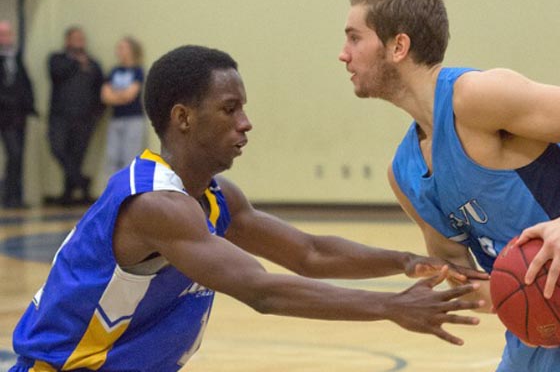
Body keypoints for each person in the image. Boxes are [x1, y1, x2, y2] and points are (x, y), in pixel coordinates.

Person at [10, 45, 487, 371]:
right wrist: (391, 306)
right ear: (183, 118)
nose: (246, 123)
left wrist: (406, 262)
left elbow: (309, 253)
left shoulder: (216, 196)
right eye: (230, 108)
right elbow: (262, 291)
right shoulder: (157, 204)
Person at [338, 0, 560, 372]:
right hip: (536, 325)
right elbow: (459, 270)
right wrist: (490, 293)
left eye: (354, 38)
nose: (343, 54)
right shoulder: (404, 172)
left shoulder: (475, 96)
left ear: (398, 46)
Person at [46, 26, 103, 206]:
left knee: (77, 155)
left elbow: (100, 88)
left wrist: (97, 113)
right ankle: (82, 182)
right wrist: (75, 61)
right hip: (60, 116)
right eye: (75, 38)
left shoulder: (92, 64)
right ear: (67, 41)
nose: (80, 41)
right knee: (58, 149)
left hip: (84, 118)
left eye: (81, 38)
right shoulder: (57, 59)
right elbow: (56, 74)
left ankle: (68, 195)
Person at [0, 20, 36, 209]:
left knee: (17, 156)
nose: (5, 38)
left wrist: (30, 105)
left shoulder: (16, 57)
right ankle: (8, 195)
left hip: (18, 116)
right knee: (13, 153)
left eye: (7, 34)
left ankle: (14, 196)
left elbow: (25, 83)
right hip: (4, 114)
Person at [101, 36, 146, 178]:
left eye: (122, 48)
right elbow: (105, 96)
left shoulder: (137, 71)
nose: (118, 51)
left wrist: (116, 94)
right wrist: (121, 95)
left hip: (133, 119)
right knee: (112, 157)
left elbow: (130, 95)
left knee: (130, 157)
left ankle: (128, 189)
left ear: (132, 50)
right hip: (116, 119)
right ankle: (113, 189)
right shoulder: (114, 71)